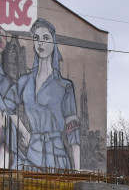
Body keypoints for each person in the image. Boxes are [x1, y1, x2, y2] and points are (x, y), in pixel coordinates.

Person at [8, 18, 80, 170]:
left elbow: (73, 134)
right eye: (36, 38)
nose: (40, 43)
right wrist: (25, 133)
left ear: (53, 43)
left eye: (45, 38)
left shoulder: (64, 86)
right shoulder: (24, 82)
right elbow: (7, 106)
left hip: (57, 155)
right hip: (33, 152)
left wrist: (78, 172)